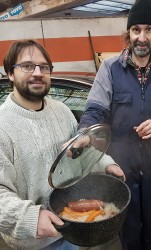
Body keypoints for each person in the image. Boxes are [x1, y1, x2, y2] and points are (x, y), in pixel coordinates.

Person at [77, 0, 151, 249]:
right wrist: (86, 133)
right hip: (122, 169)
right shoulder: (110, 69)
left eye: (149, 29)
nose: (142, 37)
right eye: (136, 29)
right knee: (127, 232)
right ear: (128, 34)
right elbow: (95, 109)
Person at [0, 39, 125, 250]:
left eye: (44, 67)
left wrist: (105, 164)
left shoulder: (62, 111)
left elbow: (78, 151)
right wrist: (30, 217)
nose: (38, 72)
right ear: (10, 73)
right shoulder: (3, 124)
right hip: (34, 240)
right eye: (28, 66)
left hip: (73, 225)